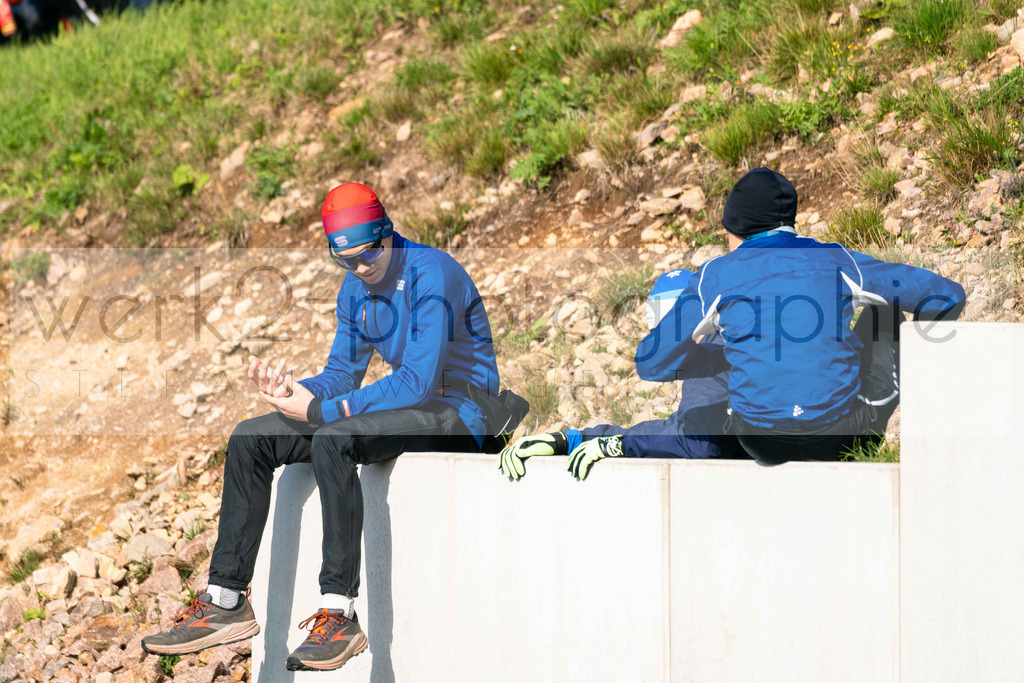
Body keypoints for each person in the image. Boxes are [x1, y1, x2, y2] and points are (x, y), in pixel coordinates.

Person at [142, 183, 502, 671]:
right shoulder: (355, 287)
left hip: (463, 411)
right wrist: (296, 392)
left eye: (369, 253)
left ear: (387, 231)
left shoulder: (431, 274)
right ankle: (225, 600)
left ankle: (339, 613)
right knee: (251, 438)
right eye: (345, 260)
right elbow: (341, 376)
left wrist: (324, 412)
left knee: (335, 437)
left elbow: (418, 383)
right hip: (414, 404)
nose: (360, 267)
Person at [634, 167, 966, 466]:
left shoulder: (713, 275)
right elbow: (947, 296)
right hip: (842, 436)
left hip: (757, 441)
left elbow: (652, 364)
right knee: (886, 309)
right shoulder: (837, 259)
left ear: (735, 228)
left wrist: (720, 358)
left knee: (740, 340)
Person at [499, 269, 746, 482]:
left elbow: (701, 444)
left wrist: (616, 445)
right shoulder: (729, 346)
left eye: (660, 338)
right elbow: (682, 426)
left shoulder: (716, 358)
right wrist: (577, 439)